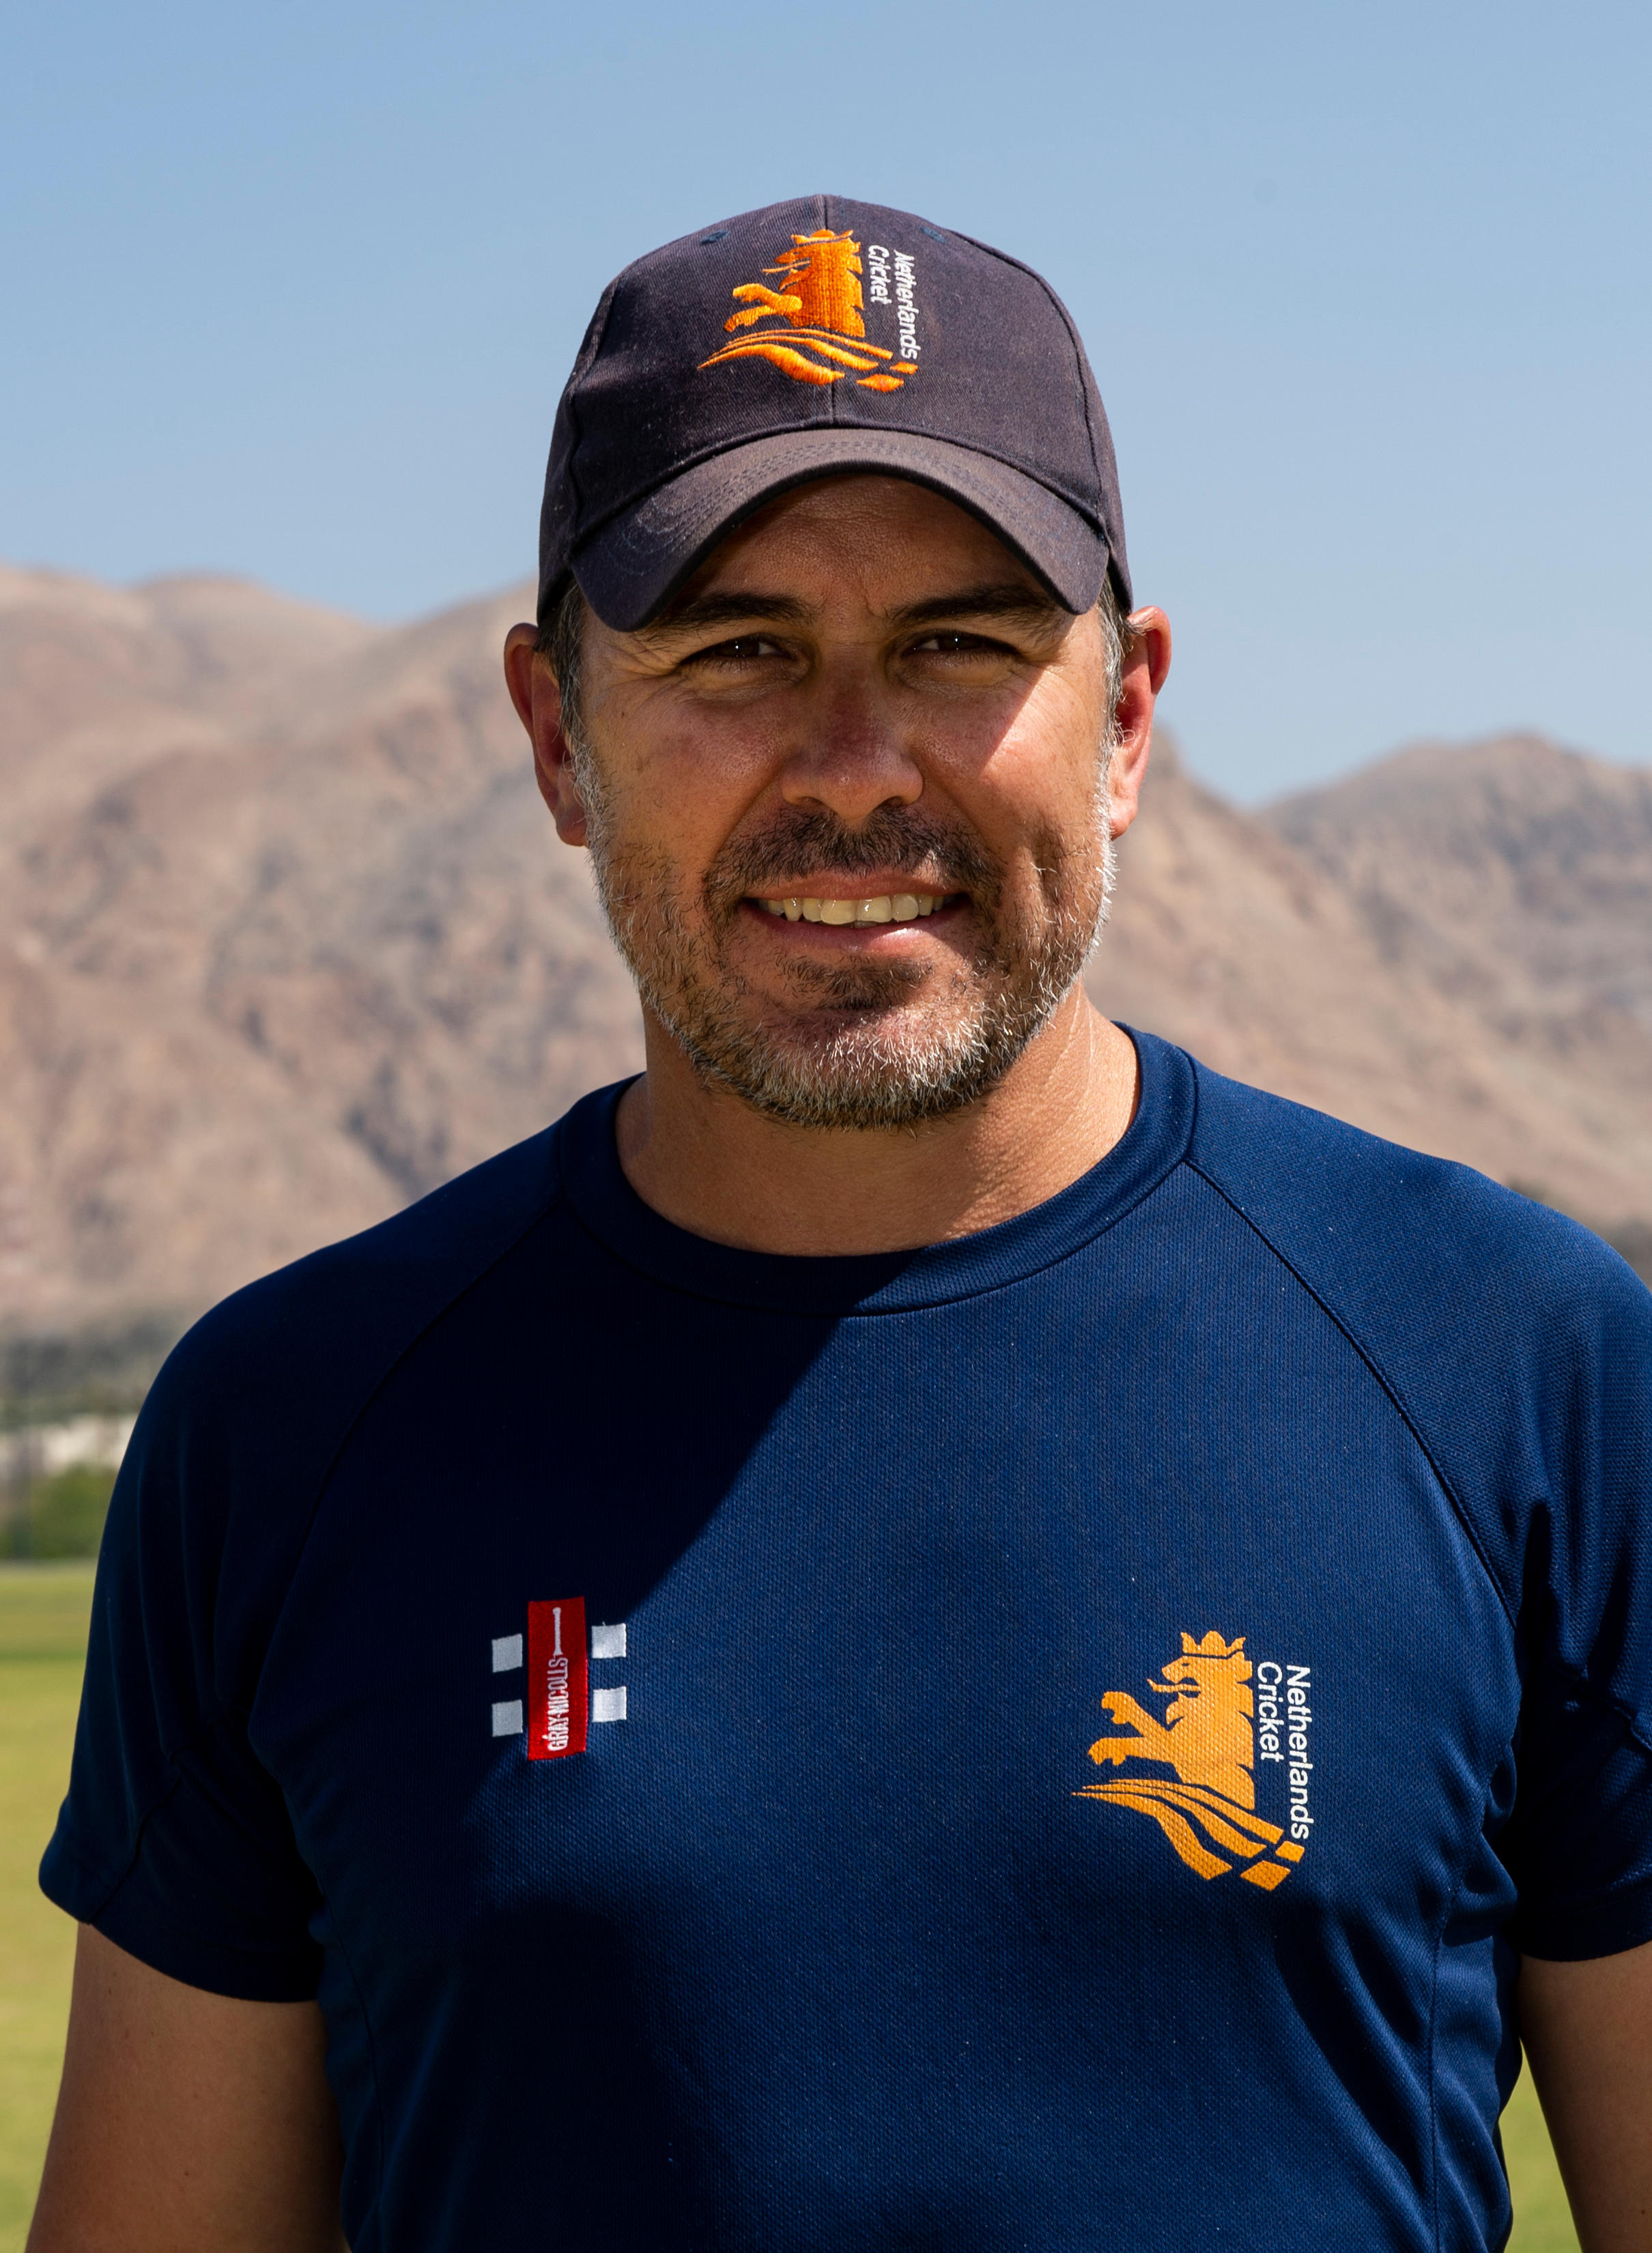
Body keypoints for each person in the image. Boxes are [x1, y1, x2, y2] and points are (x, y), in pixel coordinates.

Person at [28, 195, 1652, 2253]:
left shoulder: (1510, 1359)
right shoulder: (287, 1427)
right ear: (555, 735)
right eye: (737, 653)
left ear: (1127, 716)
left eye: (960, 646)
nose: (856, 770)